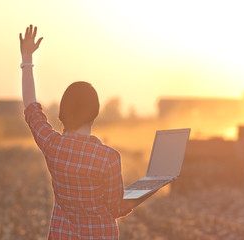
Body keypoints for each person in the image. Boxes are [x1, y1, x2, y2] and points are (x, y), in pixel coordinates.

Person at [20, 24, 148, 240]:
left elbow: (31, 108)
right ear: (95, 112)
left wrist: (27, 59)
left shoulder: (52, 146)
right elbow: (115, 209)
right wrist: (145, 192)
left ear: (62, 112)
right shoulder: (108, 158)